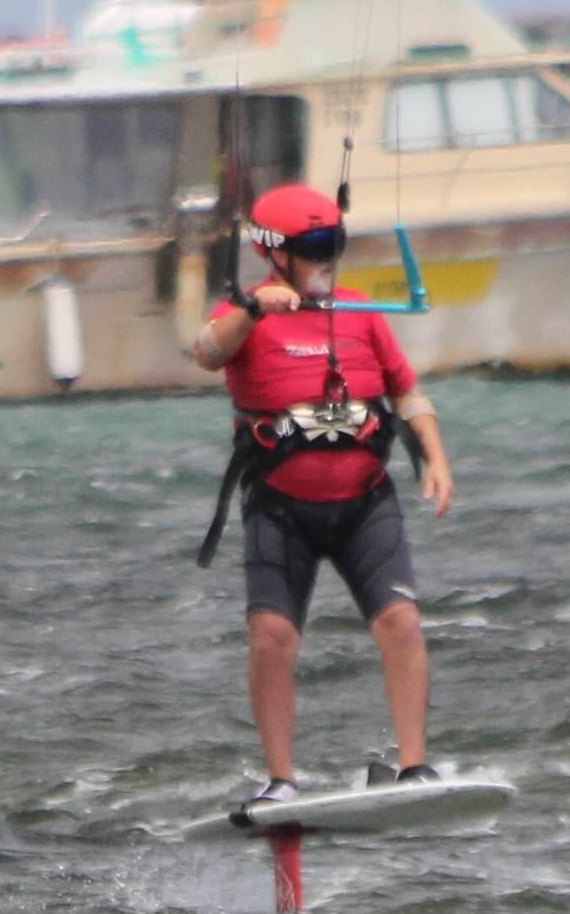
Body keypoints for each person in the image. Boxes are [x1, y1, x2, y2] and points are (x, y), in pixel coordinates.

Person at [191, 184, 455, 813]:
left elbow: (406, 391)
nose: (326, 259)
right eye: (313, 248)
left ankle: (414, 766)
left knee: (401, 622)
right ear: (274, 252)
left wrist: (436, 457)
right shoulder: (242, 314)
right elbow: (206, 352)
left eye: (333, 244)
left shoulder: (360, 310)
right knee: (271, 635)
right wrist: (253, 310)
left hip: (365, 502)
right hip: (281, 506)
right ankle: (282, 779)